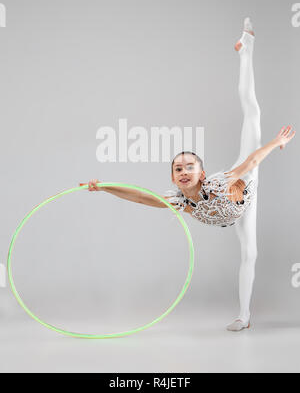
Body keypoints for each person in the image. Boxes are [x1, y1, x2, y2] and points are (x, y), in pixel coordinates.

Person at [82, 18, 295, 332]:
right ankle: (245, 316)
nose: (183, 171)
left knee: (252, 112)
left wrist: (276, 142)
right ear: (173, 177)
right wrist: (104, 187)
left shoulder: (218, 181)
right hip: (227, 215)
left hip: (245, 190)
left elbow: (250, 162)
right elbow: (141, 196)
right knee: (248, 249)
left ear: (202, 172)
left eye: (189, 166)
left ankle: (246, 48)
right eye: (177, 168)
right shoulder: (180, 201)